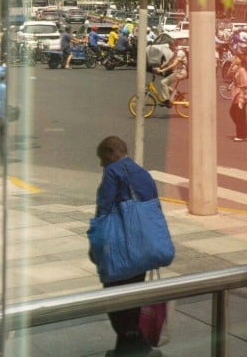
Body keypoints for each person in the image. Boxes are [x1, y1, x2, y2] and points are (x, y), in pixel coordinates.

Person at [92, 136, 162, 356]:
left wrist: (95, 248)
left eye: (103, 158)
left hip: (119, 251)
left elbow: (103, 215)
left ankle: (131, 344)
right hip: (141, 249)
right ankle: (131, 344)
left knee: (115, 300)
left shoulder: (112, 174)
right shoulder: (143, 175)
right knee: (133, 299)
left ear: (113, 152)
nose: (102, 165)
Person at [229, 54, 247, 141]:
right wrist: (232, 65)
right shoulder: (238, 69)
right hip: (237, 94)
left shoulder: (242, 70)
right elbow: (228, 75)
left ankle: (241, 135)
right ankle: (244, 129)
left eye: (237, 58)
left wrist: (242, 96)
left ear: (241, 60)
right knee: (236, 113)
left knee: (238, 114)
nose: (235, 59)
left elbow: (245, 83)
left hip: (240, 95)